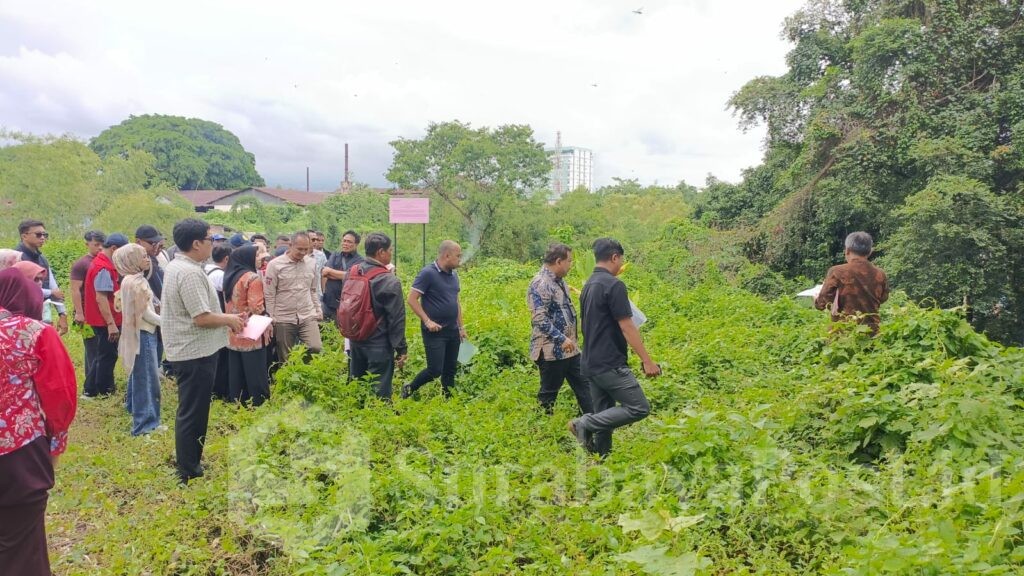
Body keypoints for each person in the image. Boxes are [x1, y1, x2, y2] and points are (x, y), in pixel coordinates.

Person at [0, 269, 77, 575]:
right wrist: (57, 442)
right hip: (19, 452)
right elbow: (60, 394)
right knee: (21, 543)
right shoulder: (33, 332)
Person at [162, 218, 244, 483]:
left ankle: (191, 460)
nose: (213, 244)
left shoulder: (183, 266)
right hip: (194, 352)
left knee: (193, 409)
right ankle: (188, 469)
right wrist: (229, 320)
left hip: (190, 350)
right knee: (192, 412)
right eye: (210, 240)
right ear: (196, 244)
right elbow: (201, 317)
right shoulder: (189, 273)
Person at [569, 238, 660, 457]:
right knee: (639, 408)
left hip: (590, 363)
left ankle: (602, 459)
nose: (621, 265)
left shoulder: (589, 285)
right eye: (621, 260)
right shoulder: (614, 285)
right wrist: (647, 360)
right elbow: (627, 326)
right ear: (614, 257)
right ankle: (584, 423)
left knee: (605, 415)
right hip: (609, 363)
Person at [527, 243, 593, 415]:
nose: (571, 265)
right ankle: (542, 433)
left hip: (571, 349)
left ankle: (593, 425)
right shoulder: (540, 284)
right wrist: (561, 338)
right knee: (549, 394)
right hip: (551, 350)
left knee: (585, 386)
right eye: (569, 261)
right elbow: (539, 319)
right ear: (558, 261)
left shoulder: (560, 281)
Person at [402, 240, 466, 399]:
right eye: (458, 256)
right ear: (447, 255)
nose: (460, 259)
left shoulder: (454, 275)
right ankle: (410, 388)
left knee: (450, 369)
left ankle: (448, 400)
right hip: (435, 332)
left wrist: (461, 327)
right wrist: (427, 321)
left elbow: (456, 302)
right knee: (435, 370)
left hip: (452, 330)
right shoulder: (428, 273)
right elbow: (411, 299)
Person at [347, 233, 408, 399]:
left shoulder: (352, 272)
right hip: (378, 343)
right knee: (379, 391)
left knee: (357, 387)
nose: (391, 253)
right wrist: (401, 347)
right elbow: (396, 318)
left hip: (355, 340)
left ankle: (354, 419)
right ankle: (378, 420)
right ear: (381, 252)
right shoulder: (389, 280)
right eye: (390, 250)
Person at [112, 244, 163, 435]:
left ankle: (134, 409)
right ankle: (145, 426)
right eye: (142, 256)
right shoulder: (138, 283)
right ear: (131, 260)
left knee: (138, 375)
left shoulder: (128, 279)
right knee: (147, 380)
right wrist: (167, 322)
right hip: (144, 333)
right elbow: (146, 315)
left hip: (135, 332)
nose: (147, 259)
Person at [223, 244, 273, 406]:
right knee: (255, 370)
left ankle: (237, 401)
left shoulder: (231, 276)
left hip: (232, 330)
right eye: (257, 256)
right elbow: (256, 307)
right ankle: (259, 402)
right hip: (251, 331)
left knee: (236, 370)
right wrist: (267, 317)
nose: (261, 259)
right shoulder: (252, 278)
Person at [815, 231, 890, 335]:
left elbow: (821, 304)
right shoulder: (880, 274)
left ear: (847, 251)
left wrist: (816, 300)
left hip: (845, 332)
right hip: (872, 331)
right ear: (869, 252)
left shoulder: (837, 271)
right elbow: (883, 298)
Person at [83, 233, 130, 397]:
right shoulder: (103, 268)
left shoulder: (103, 264)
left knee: (103, 354)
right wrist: (110, 324)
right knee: (107, 356)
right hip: (105, 320)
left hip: (103, 318)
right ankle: (104, 390)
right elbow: (101, 298)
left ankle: (90, 389)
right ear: (114, 249)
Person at [264, 231, 323, 361]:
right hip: (283, 317)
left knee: (316, 347)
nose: (303, 253)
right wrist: (271, 317)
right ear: (290, 245)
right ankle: (288, 379)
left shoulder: (311, 263)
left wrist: (318, 309)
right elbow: (269, 294)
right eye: (299, 249)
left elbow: (313, 289)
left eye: (306, 249)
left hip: (307, 314)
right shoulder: (275, 265)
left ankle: (305, 373)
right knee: (285, 356)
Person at [15, 219, 68, 335]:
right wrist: (50, 293)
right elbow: (20, 289)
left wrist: (62, 313)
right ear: (24, 236)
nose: (43, 237)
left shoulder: (42, 258)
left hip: (43, 315)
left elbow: (53, 285)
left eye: (45, 235)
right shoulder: (15, 258)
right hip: (22, 318)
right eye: (38, 234)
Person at [69, 231, 105, 398]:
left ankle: (98, 381)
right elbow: (75, 290)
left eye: (101, 244)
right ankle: (90, 387)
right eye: (96, 244)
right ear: (87, 244)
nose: (99, 248)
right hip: (85, 314)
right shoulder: (81, 264)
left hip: (99, 312)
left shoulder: (101, 261)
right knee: (91, 349)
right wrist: (79, 313)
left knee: (100, 348)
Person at [321, 230, 365, 321]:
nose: (345, 243)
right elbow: (325, 273)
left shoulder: (360, 261)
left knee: (342, 332)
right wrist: (345, 275)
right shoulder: (335, 255)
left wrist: (331, 271)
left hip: (347, 304)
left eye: (349, 242)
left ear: (356, 244)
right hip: (328, 302)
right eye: (344, 241)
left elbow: (354, 277)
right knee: (325, 331)